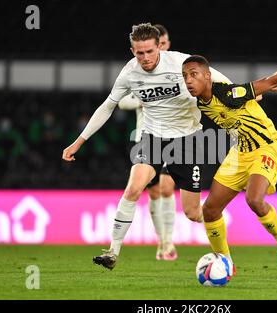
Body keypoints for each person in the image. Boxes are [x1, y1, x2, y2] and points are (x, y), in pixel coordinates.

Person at [62, 23, 231, 270]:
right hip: (152, 137)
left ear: (158, 47)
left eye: (150, 51)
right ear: (133, 50)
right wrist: (79, 141)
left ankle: (223, 247)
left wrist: (249, 94)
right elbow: (108, 106)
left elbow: (216, 77)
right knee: (134, 188)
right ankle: (112, 252)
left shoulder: (180, 64)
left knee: (194, 213)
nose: (145, 58)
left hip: (188, 140)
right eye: (139, 53)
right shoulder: (130, 72)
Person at [181, 42, 277, 273]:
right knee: (210, 210)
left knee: (254, 200)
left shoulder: (226, 93)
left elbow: (270, 80)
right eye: (185, 76)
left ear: (207, 76)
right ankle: (225, 262)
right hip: (240, 152)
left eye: (193, 75)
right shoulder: (201, 103)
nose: (188, 80)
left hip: (266, 147)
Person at [117, 24, 178, 261]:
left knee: (167, 187)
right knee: (152, 192)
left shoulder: (175, 68)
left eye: (161, 45)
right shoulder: (136, 71)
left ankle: (169, 241)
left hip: (173, 137)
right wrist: (145, 99)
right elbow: (121, 101)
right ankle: (161, 241)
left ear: (166, 45)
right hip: (144, 137)